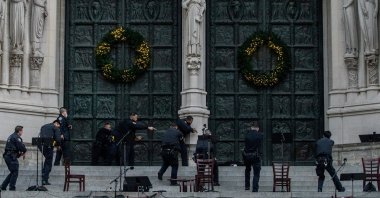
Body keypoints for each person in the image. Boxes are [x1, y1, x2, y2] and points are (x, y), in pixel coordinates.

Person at [1, 126, 27, 191]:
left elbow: (13, 147)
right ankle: (12, 187)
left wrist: (20, 154)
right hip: (11, 156)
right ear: (19, 131)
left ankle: (3, 186)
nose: (22, 132)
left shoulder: (11, 136)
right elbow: (21, 147)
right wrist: (24, 151)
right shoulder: (17, 137)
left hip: (8, 156)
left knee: (13, 172)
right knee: (15, 171)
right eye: (22, 131)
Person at [39, 120, 61, 185]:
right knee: (49, 163)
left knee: (47, 160)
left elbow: (40, 136)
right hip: (49, 146)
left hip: (41, 146)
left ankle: (43, 175)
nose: (58, 127)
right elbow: (58, 139)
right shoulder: (55, 128)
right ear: (56, 123)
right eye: (58, 126)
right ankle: (45, 179)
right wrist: (57, 145)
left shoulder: (43, 126)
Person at [242, 121, 263, 192]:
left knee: (247, 170)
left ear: (251, 127)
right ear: (257, 128)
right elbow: (260, 146)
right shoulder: (259, 135)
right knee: (256, 173)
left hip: (247, 156)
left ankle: (247, 186)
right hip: (255, 156)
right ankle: (255, 188)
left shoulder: (247, 135)